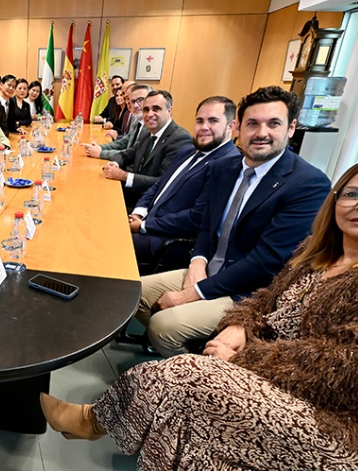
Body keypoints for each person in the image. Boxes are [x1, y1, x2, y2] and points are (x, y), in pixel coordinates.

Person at [41, 156, 358, 471]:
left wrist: (243, 359)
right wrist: (239, 325)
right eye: (352, 193)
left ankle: (93, 421)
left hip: (351, 427)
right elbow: (267, 298)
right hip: (286, 385)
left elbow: (350, 369)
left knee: (184, 376)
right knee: (190, 435)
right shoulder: (321, 254)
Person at [135, 86, 331, 357]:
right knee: (131, 294)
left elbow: (266, 261)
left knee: (163, 326)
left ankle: (195, 378)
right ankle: (195, 353)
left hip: (248, 291)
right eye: (253, 123)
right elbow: (206, 223)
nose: (261, 133)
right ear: (238, 127)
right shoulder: (223, 168)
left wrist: (195, 293)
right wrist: (197, 263)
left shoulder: (308, 184)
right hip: (207, 271)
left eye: (273, 123)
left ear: (291, 128)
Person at [130, 96, 242, 273]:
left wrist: (144, 225)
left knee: (109, 242)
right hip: (147, 223)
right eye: (199, 121)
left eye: (213, 121)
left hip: (168, 241)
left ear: (231, 126)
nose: (204, 127)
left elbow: (195, 218)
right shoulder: (187, 151)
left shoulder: (229, 164)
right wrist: (139, 212)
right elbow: (158, 186)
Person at [102, 90, 193, 209]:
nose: (149, 114)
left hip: (150, 207)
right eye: (146, 110)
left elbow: (164, 182)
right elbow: (126, 155)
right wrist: (114, 164)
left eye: (156, 109)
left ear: (169, 111)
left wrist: (124, 176)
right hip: (133, 195)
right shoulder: (148, 133)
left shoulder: (180, 138)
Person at [85, 83, 150, 158]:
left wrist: (101, 153)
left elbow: (133, 154)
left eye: (140, 100)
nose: (134, 105)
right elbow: (125, 142)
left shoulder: (150, 126)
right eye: (129, 100)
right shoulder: (139, 122)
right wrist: (100, 148)